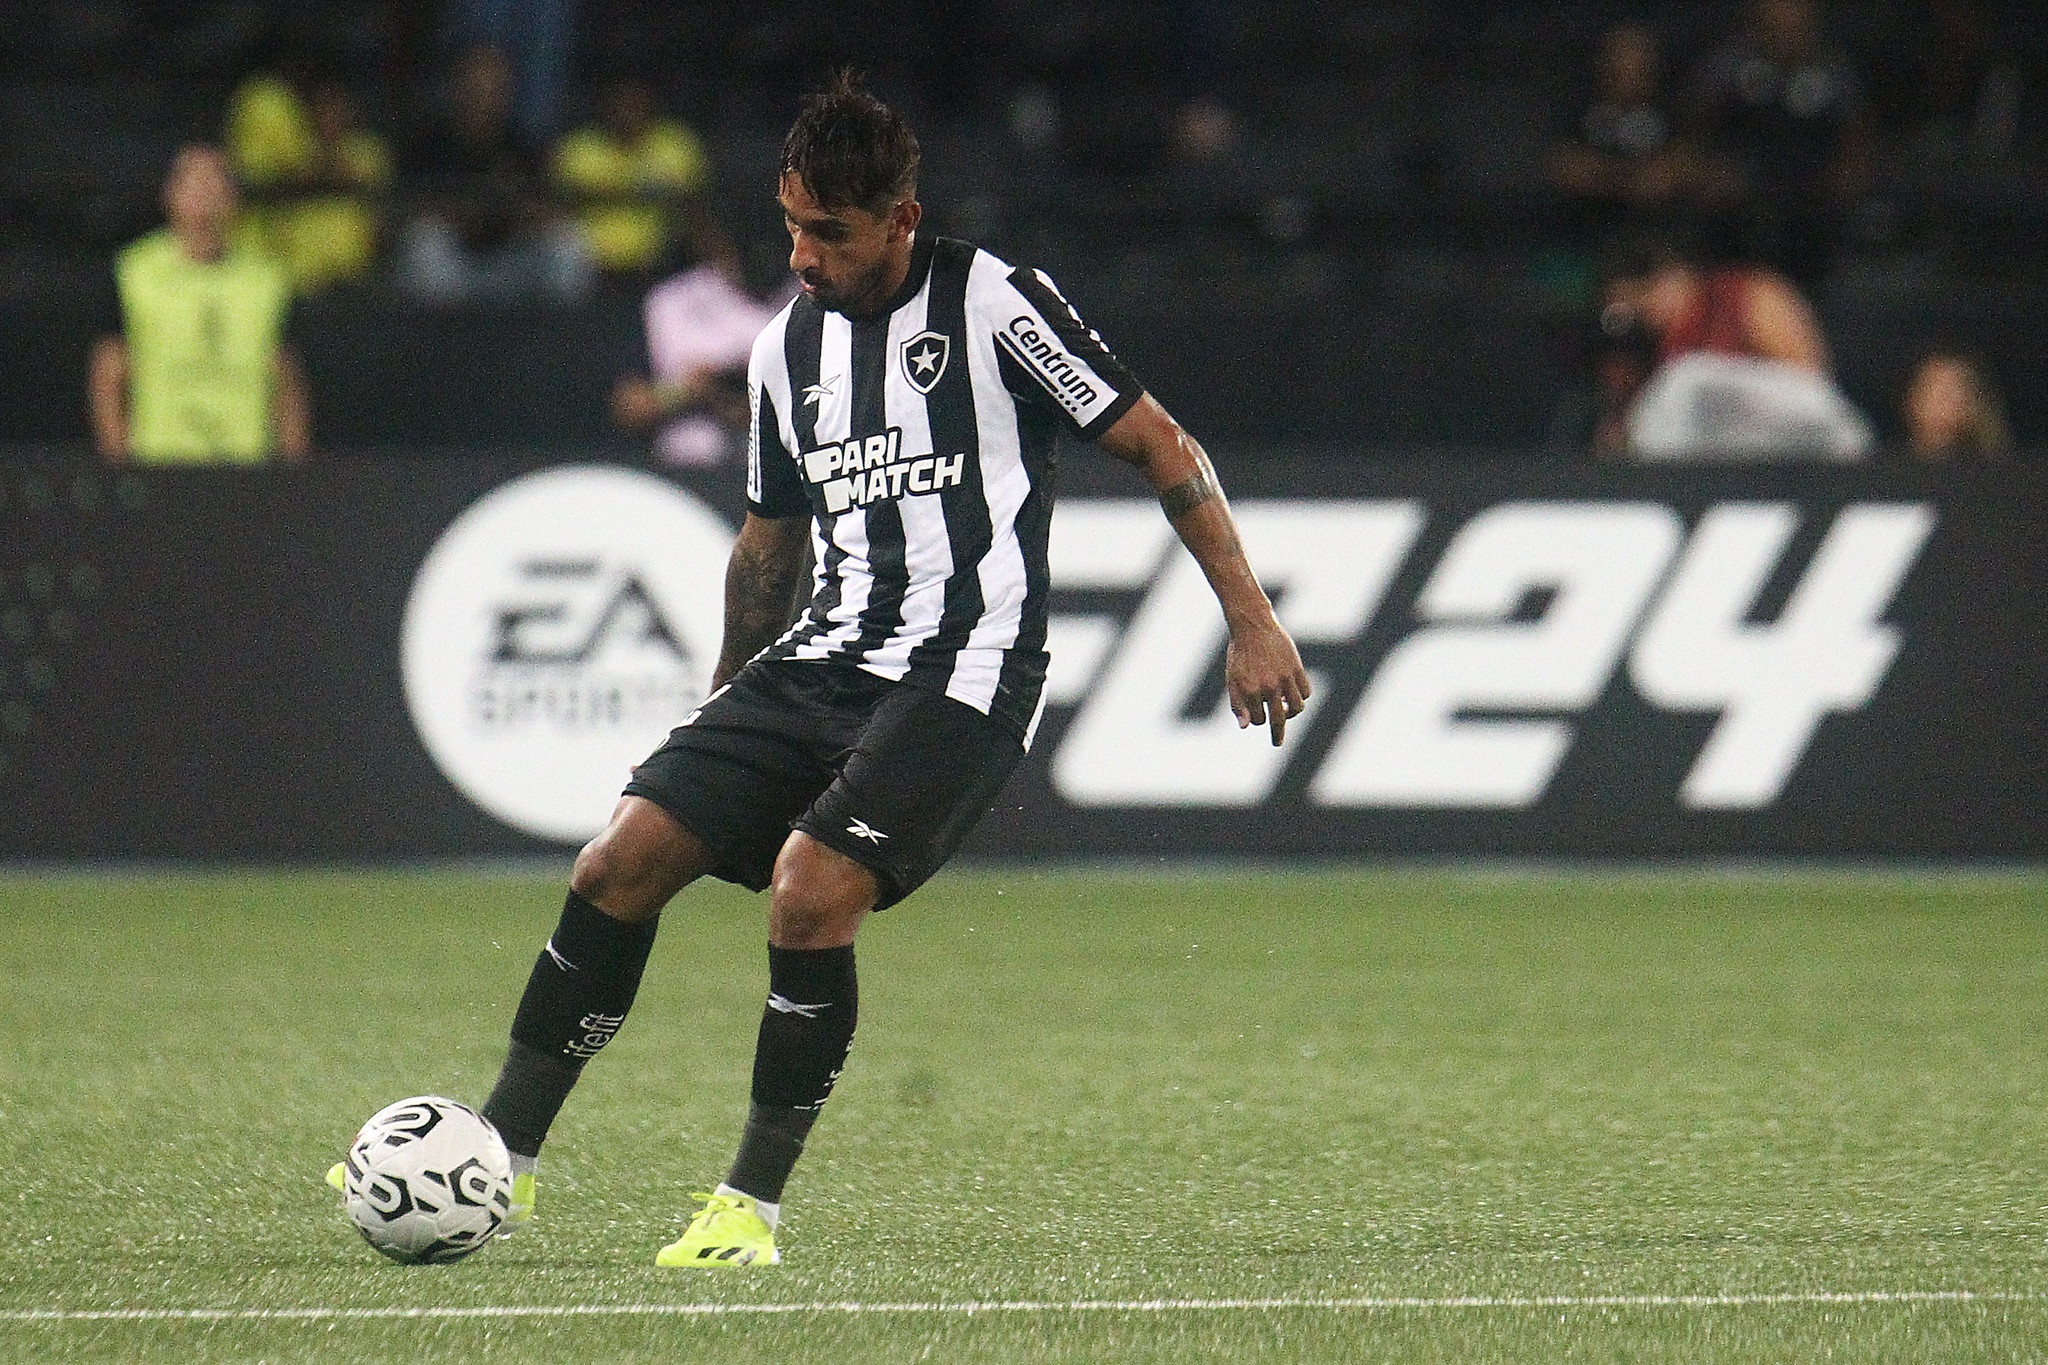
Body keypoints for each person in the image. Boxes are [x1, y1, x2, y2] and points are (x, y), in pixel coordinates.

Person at [326, 72, 1311, 1268]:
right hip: (820, 657)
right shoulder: (785, 347)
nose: (799, 256)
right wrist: (725, 699)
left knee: (808, 892)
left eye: (828, 234)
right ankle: (503, 1166)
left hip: (966, 667)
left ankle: (746, 1210)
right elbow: (768, 542)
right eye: (790, 224)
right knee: (617, 861)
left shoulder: (994, 303)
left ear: (899, 219)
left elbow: (1157, 441)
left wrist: (1248, 616)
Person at [88, 144, 311, 465]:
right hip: (160, 462)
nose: (205, 194)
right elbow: (108, 374)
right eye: (193, 182)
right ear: (170, 195)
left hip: (245, 466)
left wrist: (292, 474)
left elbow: (287, 382)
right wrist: (120, 462)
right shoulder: (134, 272)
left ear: (234, 200)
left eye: (216, 183)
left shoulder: (268, 281)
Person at [1593, 237, 1868, 460]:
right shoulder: (1663, 345)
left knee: (1687, 378)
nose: (1649, 314)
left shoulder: (1744, 294)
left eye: (1644, 297)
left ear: (1673, 276)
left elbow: (1811, 384)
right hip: (1725, 459)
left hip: (1809, 436)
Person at [1685, 0, 1870, 285]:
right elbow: (1694, 141)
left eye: (1794, 6)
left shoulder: (1833, 72)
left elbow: (1854, 149)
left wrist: (1833, 185)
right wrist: (1713, 176)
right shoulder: (1728, 68)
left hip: (1811, 214)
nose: (1784, 15)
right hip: (1737, 213)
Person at [396, 44, 588, 304]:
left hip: (510, 259)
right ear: (456, 88)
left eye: (492, 86)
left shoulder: (522, 146)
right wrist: (461, 214)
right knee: (424, 245)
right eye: (475, 85)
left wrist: (515, 212)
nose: (483, 94)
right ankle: (435, 339)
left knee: (567, 243)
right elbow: (408, 211)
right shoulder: (429, 146)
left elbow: (547, 209)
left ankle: (558, 338)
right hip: (455, 266)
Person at [226, 70, 392, 293]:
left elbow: (355, 175)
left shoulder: (366, 150)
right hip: (300, 276)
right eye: (324, 110)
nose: (332, 117)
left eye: (337, 110)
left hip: (354, 275)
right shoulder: (297, 148)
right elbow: (285, 172)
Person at [553, 76, 713, 278]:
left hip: (659, 258)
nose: (627, 112)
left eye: (635, 104)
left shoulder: (676, 145)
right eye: (621, 104)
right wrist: (640, 192)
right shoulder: (579, 148)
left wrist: (613, 192)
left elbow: (690, 202)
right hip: (587, 263)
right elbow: (563, 199)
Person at [1900, 349, 2012, 460]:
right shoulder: (1893, 465)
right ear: (1913, 399)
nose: (1942, 402)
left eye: (1951, 392)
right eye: (1933, 391)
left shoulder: (1991, 465)